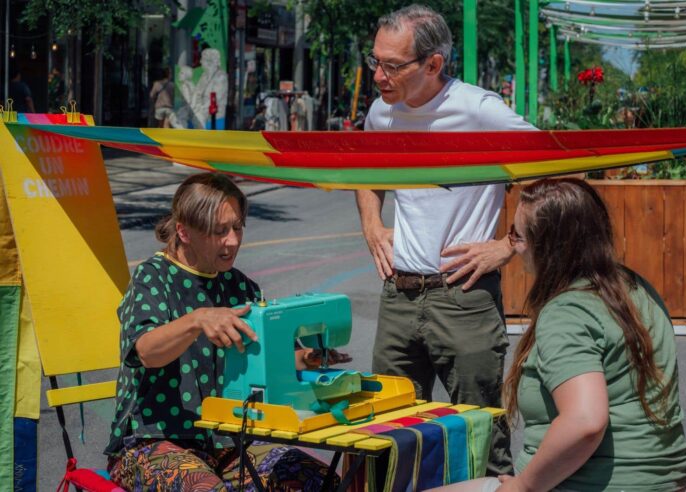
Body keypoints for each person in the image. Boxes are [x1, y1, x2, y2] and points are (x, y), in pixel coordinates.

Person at [355, 4, 536, 476]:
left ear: (433, 64)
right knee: (388, 437)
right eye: (374, 60)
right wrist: (373, 225)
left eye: (392, 66)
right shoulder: (381, 113)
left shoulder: (479, 110)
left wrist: (509, 244)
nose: (378, 75)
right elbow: (363, 172)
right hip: (399, 295)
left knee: (480, 438)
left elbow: (558, 172)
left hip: (463, 297)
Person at [432, 179, 686, 492]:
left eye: (517, 235)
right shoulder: (633, 286)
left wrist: (523, 486)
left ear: (549, 246)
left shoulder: (567, 311)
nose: (513, 246)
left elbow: (584, 422)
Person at [105, 173, 340, 491]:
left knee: (322, 482)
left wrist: (309, 357)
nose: (233, 240)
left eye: (237, 227)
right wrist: (197, 320)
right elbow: (146, 350)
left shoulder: (240, 286)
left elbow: (269, 356)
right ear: (184, 231)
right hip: (151, 441)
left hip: (228, 443)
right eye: (220, 231)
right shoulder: (154, 277)